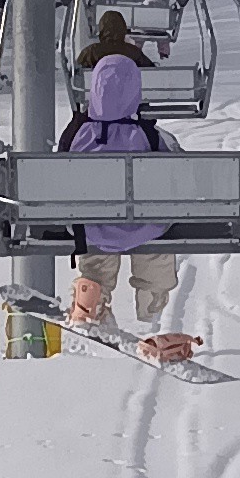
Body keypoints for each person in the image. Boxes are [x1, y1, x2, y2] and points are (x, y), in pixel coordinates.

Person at [63, 45, 183, 341]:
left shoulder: (78, 132)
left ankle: (90, 297)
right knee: (156, 242)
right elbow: (173, 176)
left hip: (91, 228)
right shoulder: (147, 134)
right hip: (143, 227)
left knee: (94, 239)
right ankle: (151, 301)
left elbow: (59, 173)